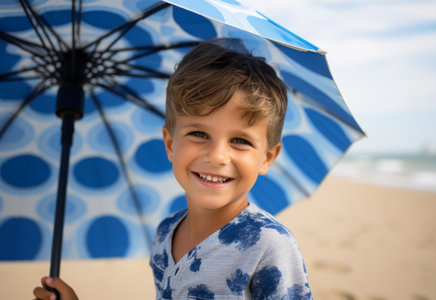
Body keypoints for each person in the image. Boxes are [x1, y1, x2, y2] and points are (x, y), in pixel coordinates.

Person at [33, 41, 312, 299]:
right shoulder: (165, 232)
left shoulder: (268, 246)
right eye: (199, 134)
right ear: (170, 144)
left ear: (267, 157)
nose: (216, 156)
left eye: (240, 141)